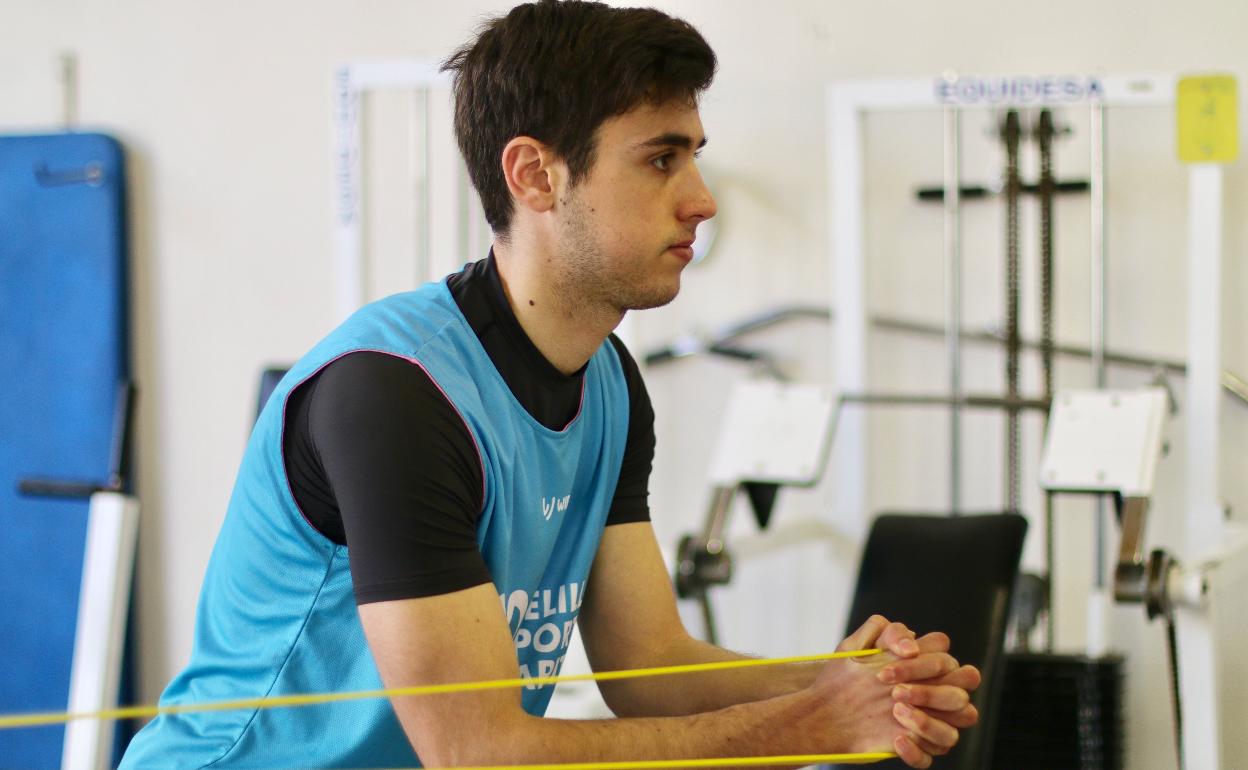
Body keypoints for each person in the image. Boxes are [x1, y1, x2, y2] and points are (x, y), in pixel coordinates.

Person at [120, 2, 979, 768]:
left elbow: (645, 670)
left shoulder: (608, 383)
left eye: (695, 157)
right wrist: (809, 727)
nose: (702, 200)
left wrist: (839, 681)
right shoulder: (393, 397)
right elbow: (478, 750)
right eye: (660, 159)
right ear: (534, 175)